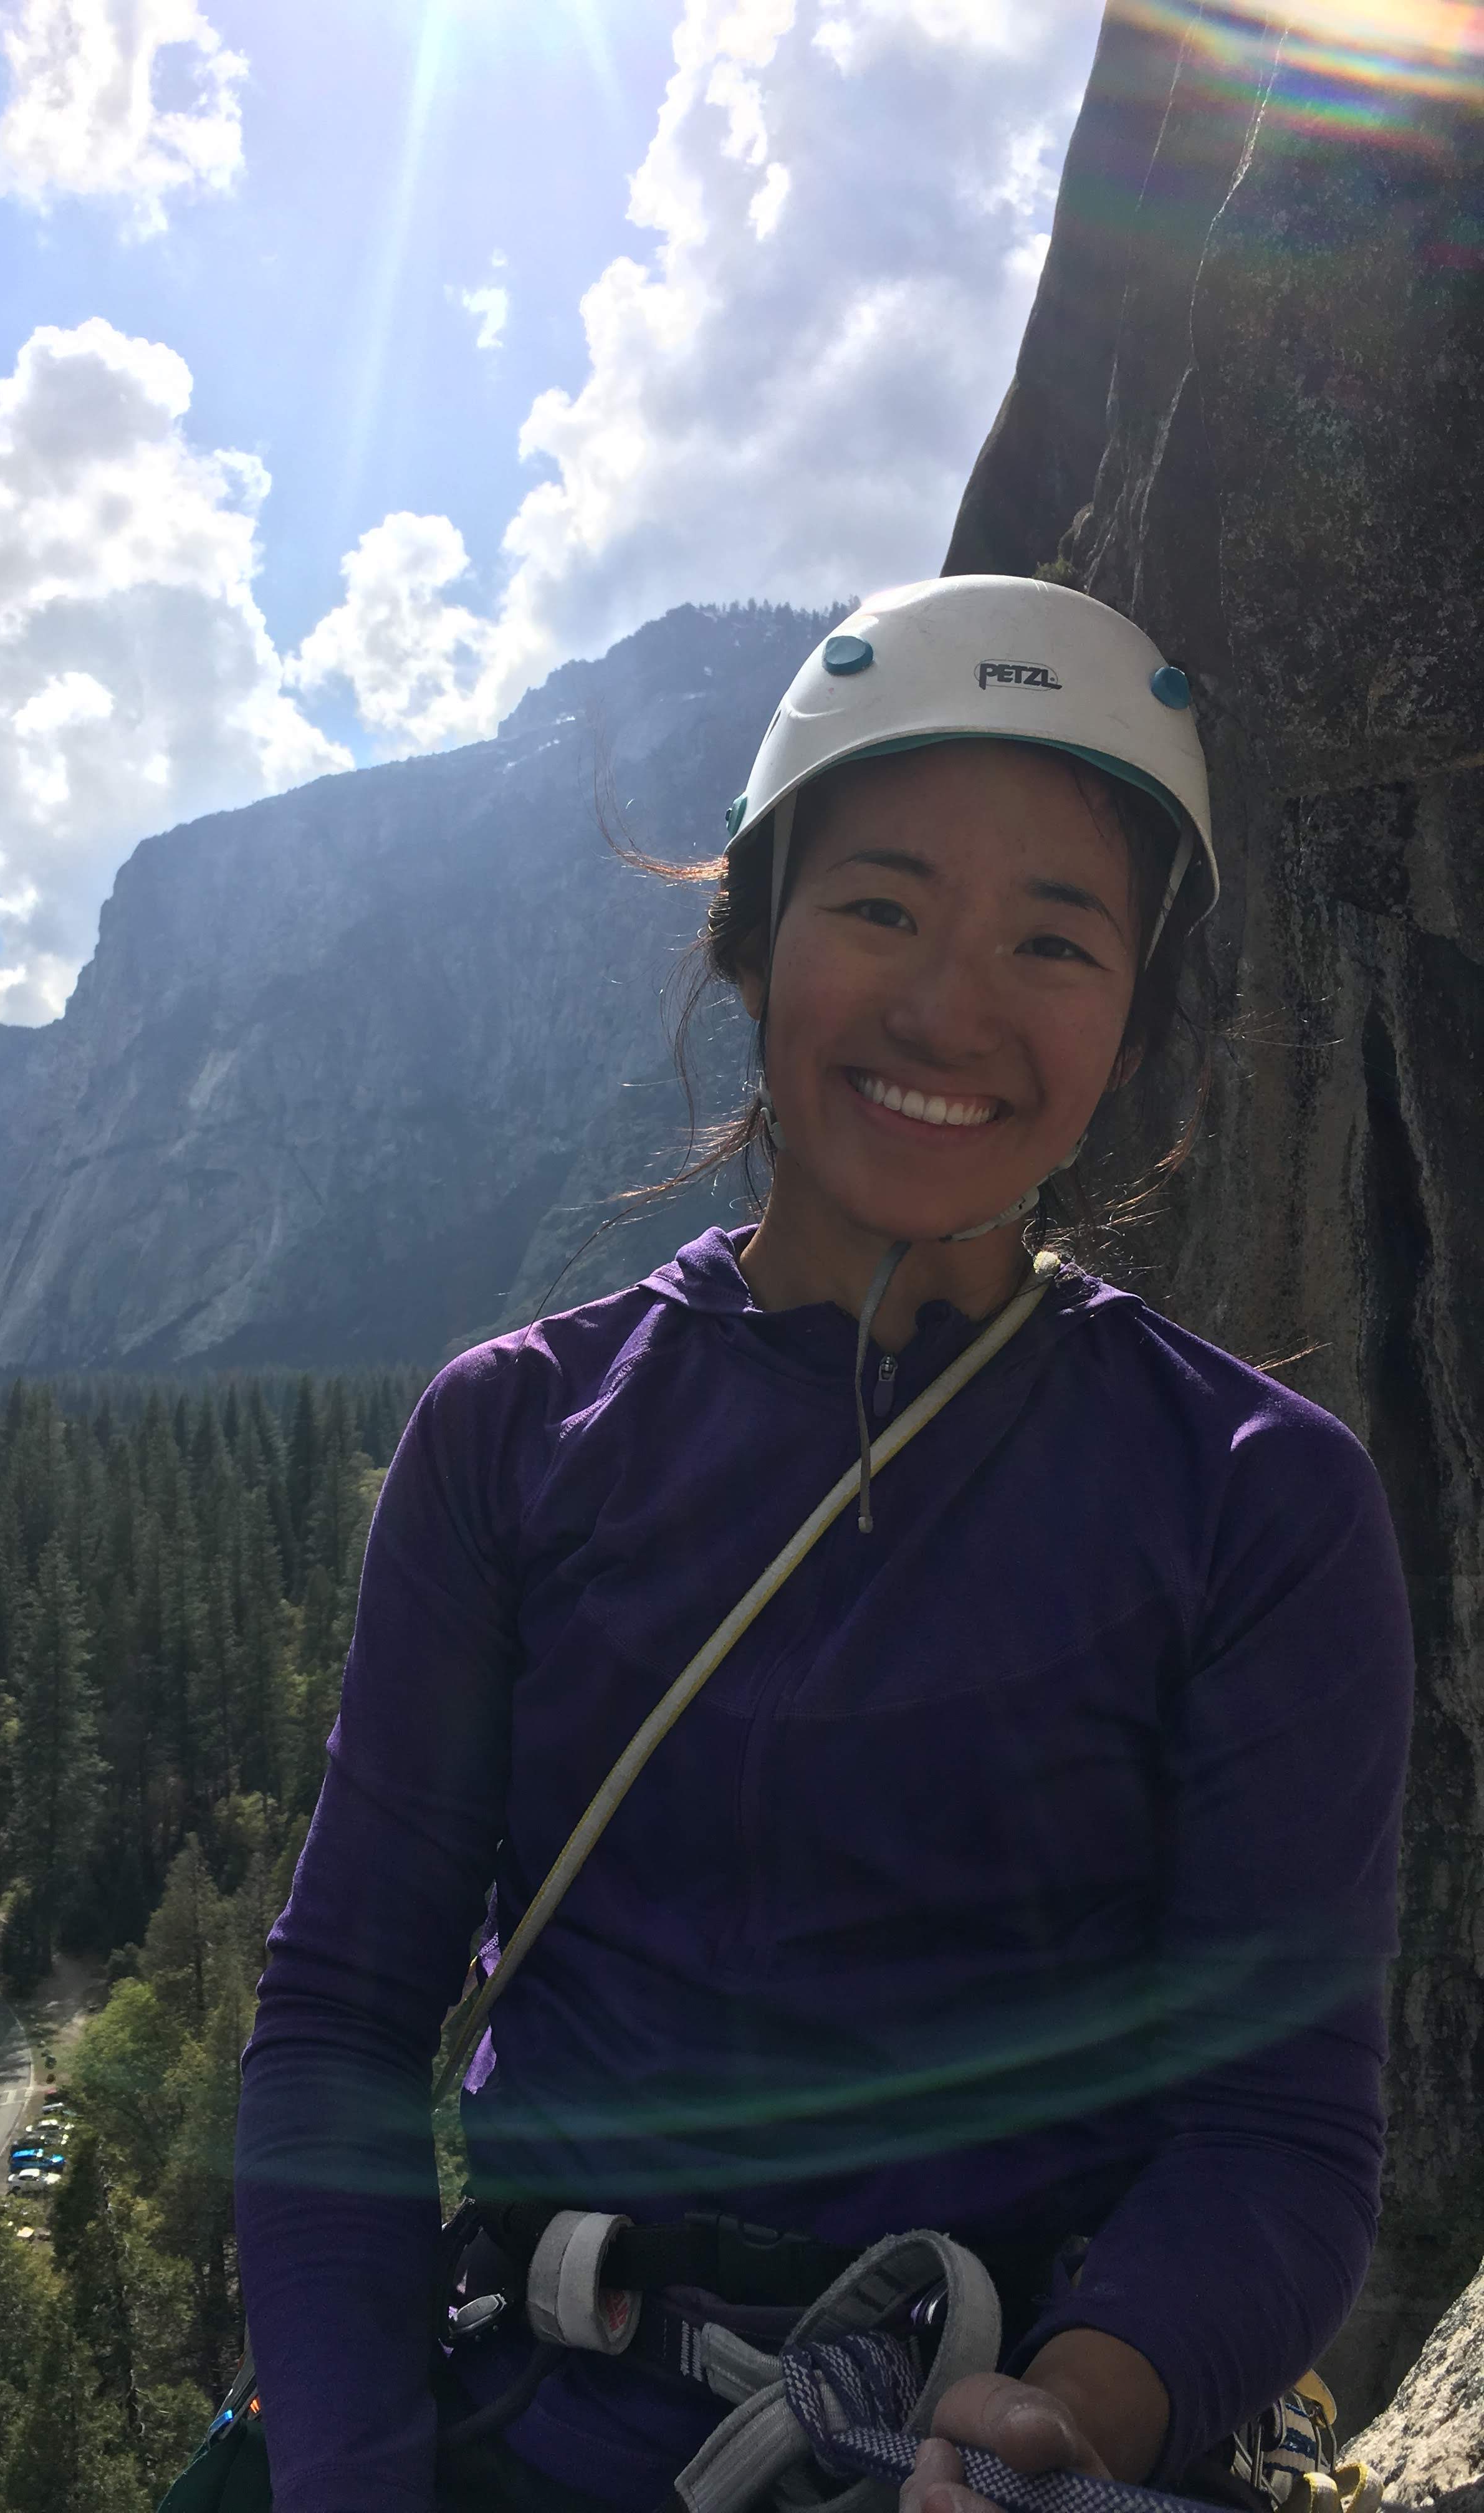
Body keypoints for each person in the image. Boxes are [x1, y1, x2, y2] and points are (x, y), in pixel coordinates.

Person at [232, 577, 1414, 2513]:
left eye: (1057, 939)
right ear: (751, 937)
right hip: (545, 2427)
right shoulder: (515, 1441)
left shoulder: (1259, 1501)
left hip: (1006, 2448)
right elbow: (343, 2020)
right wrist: (359, 2474)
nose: (952, 1008)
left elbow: (1277, 2130)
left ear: (1133, 1023)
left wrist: (1084, 2411)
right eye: (882, 906)